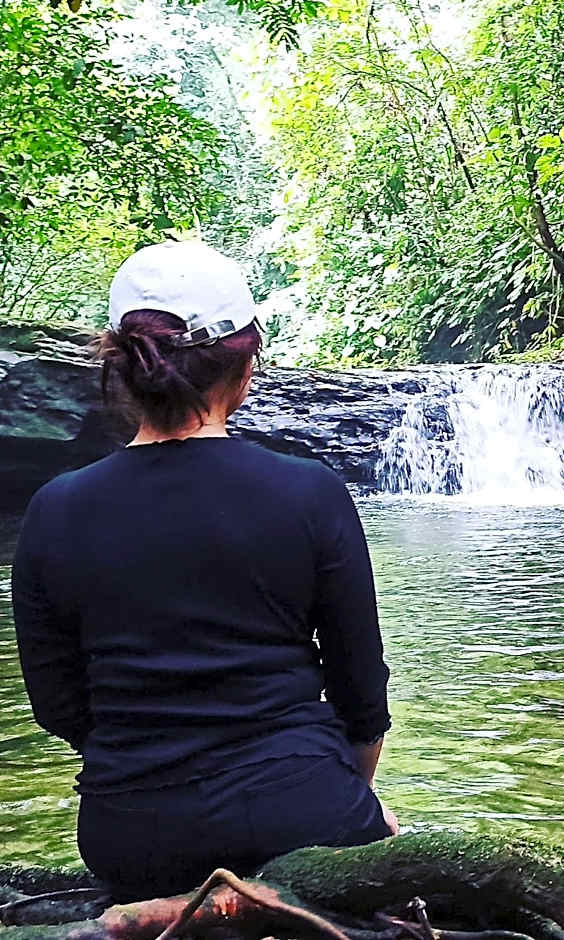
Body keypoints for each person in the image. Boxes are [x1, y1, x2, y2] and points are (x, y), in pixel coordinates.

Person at [11, 240, 397, 902]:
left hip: (131, 835)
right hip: (305, 811)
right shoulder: (310, 494)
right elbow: (362, 697)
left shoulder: (53, 512)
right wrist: (346, 802)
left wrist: (144, 770)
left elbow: (57, 705)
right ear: (246, 363)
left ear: (122, 367)